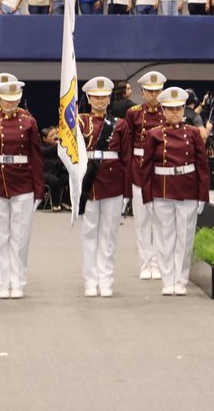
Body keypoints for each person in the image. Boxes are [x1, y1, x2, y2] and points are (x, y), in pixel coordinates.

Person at [0, 80, 44, 297]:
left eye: (14, 99)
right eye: (6, 99)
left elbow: (36, 158)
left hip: (23, 183)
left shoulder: (29, 121)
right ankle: (2, 283)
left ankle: (18, 282)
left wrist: (38, 189)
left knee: (20, 238)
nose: (10, 103)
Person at [140, 87, 209, 296]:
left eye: (178, 108)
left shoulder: (194, 133)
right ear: (163, 110)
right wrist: (147, 196)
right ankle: (167, 279)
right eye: (170, 109)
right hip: (162, 188)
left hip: (188, 188)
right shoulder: (154, 134)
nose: (175, 113)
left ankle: (181, 279)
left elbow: (202, 166)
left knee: (185, 238)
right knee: (164, 237)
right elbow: (146, 167)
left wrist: (202, 195)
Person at [77, 77, 130, 297]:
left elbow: (126, 159)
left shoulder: (120, 124)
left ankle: (106, 279)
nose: (100, 100)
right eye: (96, 96)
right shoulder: (79, 122)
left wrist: (127, 192)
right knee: (89, 233)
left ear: (109, 99)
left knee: (109, 235)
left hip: (113, 182)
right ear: (88, 98)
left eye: (104, 96)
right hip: (89, 183)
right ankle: (90, 280)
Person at [124, 71, 167, 280]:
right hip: (139, 167)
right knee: (141, 220)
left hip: (159, 170)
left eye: (157, 90)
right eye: (149, 91)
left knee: (160, 220)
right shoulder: (133, 113)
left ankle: (158, 263)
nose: (154, 95)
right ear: (142, 92)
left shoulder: (167, 112)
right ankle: (145, 263)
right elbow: (128, 144)